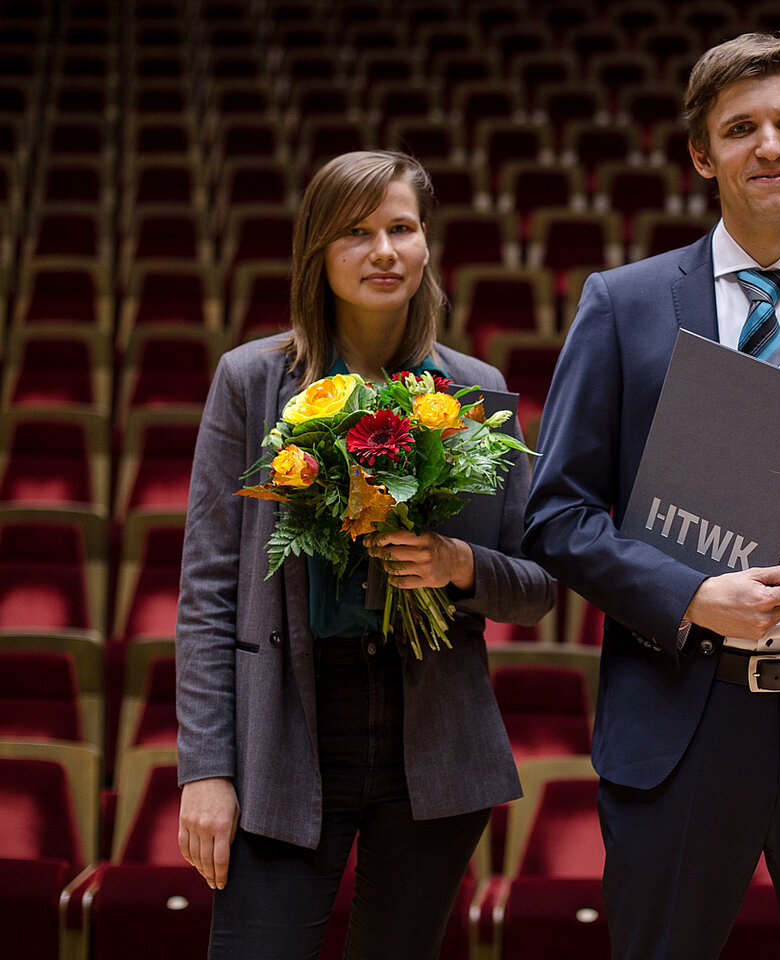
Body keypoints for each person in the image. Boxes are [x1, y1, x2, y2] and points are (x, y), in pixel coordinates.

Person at [522, 33, 780, 960]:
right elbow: (556, 512)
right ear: (702, 155)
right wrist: (689, 596)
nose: (770, 146)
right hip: (684, 712)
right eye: (741, 128)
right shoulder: (624, 304)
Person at [175, 150, 555, 960]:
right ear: (317, 251)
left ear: (425, 247)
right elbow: (207, 591)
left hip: (431, 738)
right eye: (356, 232)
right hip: (291, 731)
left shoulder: (474, 390)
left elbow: (537, 585)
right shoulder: (250, 380)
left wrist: (459, 566)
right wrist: (205, 769)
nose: (383, 251)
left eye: (401, 229)